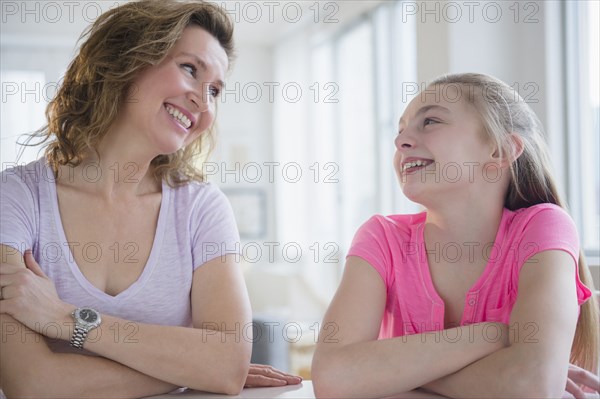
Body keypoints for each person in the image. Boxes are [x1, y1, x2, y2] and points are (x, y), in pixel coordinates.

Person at [0, 1, 300, 397]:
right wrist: (189, 368)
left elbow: (227, 364)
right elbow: (33, 384)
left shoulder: (201, 208)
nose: (203, 102)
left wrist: (65, 318)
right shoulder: (16, 198)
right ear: (126, 60)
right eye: (190, 69)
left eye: (214, 90)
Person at [311, 73, 600, 398]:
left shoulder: (544, 227)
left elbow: (531, 384)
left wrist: (398, 372)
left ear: (499, 150)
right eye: (400, 128)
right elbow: (333, 378)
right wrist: (492, 335)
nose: (401, 140)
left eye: (430, 121)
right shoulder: (381, 239)